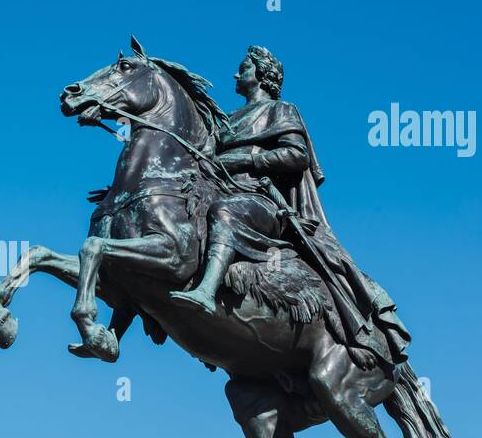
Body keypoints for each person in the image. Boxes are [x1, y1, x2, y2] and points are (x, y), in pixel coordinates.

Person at [170, 46, 409, 369]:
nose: (235, 74)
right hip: (221, 190)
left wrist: (249, 158)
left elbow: (298, 156)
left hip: (261, 203)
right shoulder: (225, 120)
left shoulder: (282, 111)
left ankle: (207, 291)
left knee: (224, 212)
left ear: (262, 75)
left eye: (243, 68)